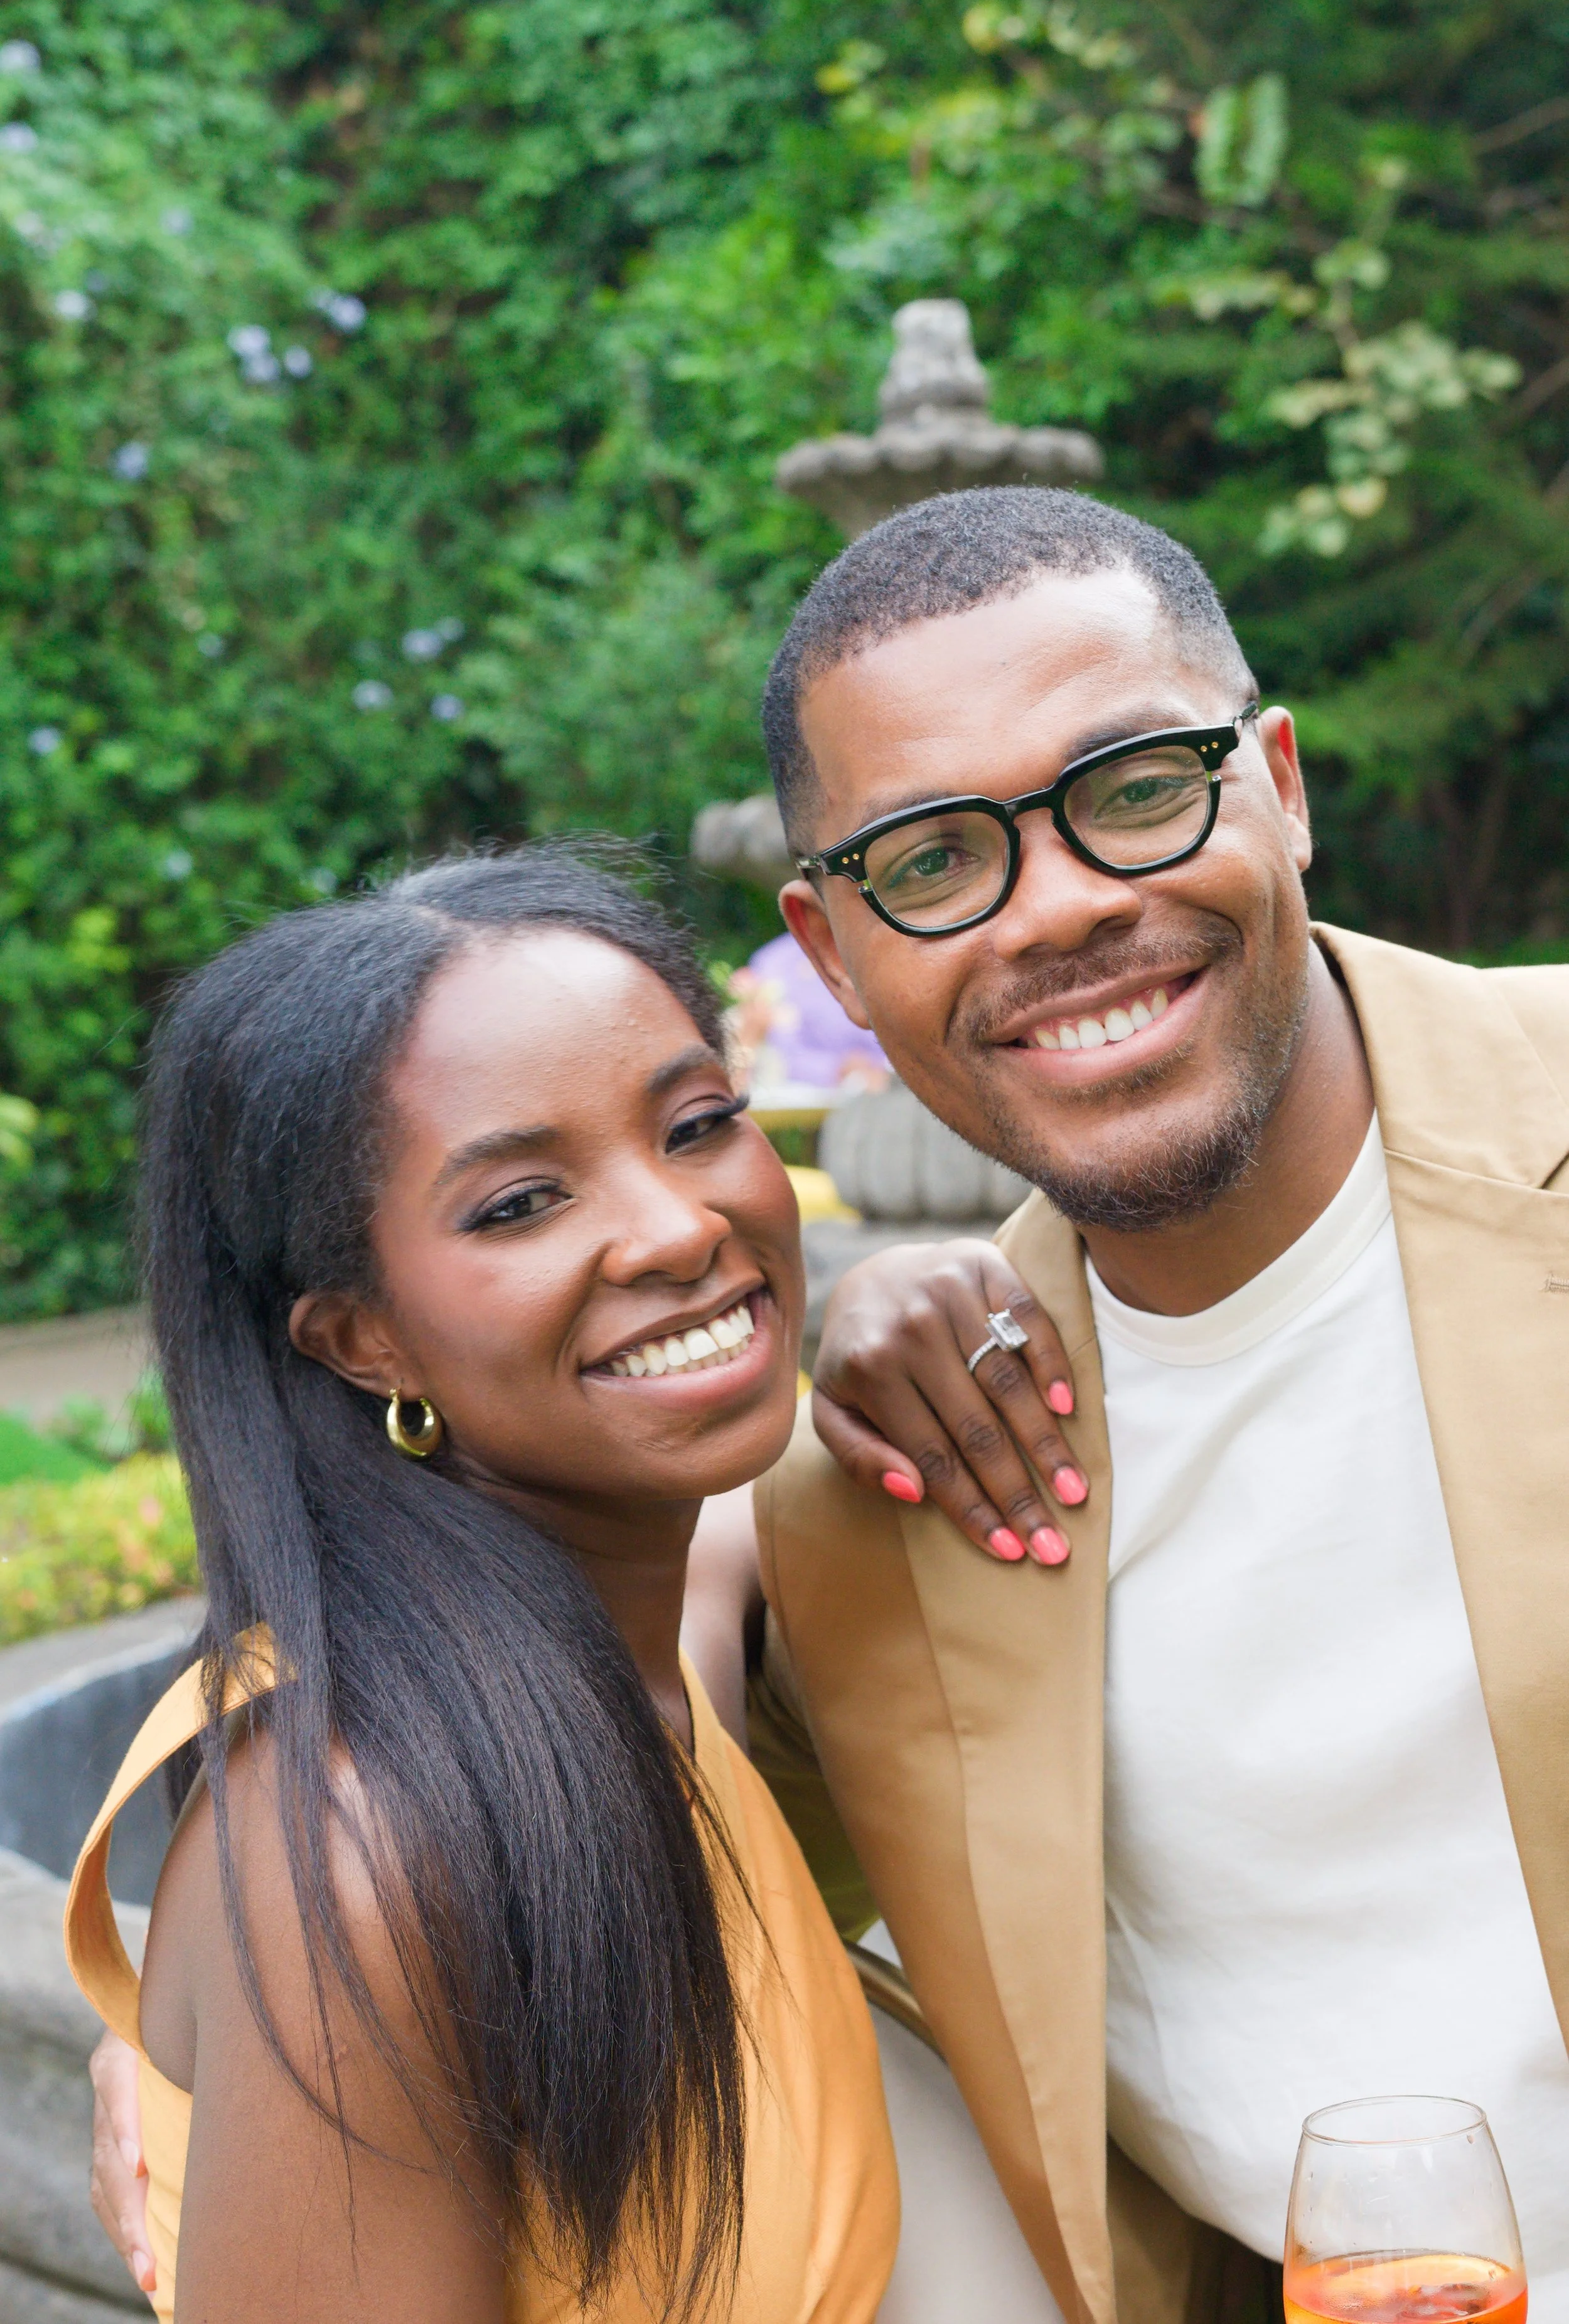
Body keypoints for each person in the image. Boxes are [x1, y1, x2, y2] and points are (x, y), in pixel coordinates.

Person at [737, 486, 1569, 2324]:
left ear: (1276, 779)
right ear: (833, 953)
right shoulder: (877, 1493)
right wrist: (210, 2057)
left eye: (1131, 787)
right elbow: (573, 1850)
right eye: (935, 861)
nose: (1065, 911)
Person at [66, 847, 897, 2324]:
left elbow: (737, 1550)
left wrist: (913, 1293)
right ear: (358, 1339)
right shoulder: (367, 1854)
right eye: (519, 1204)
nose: (677, 1228)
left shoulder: (621, 1657)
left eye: (699, 1124)